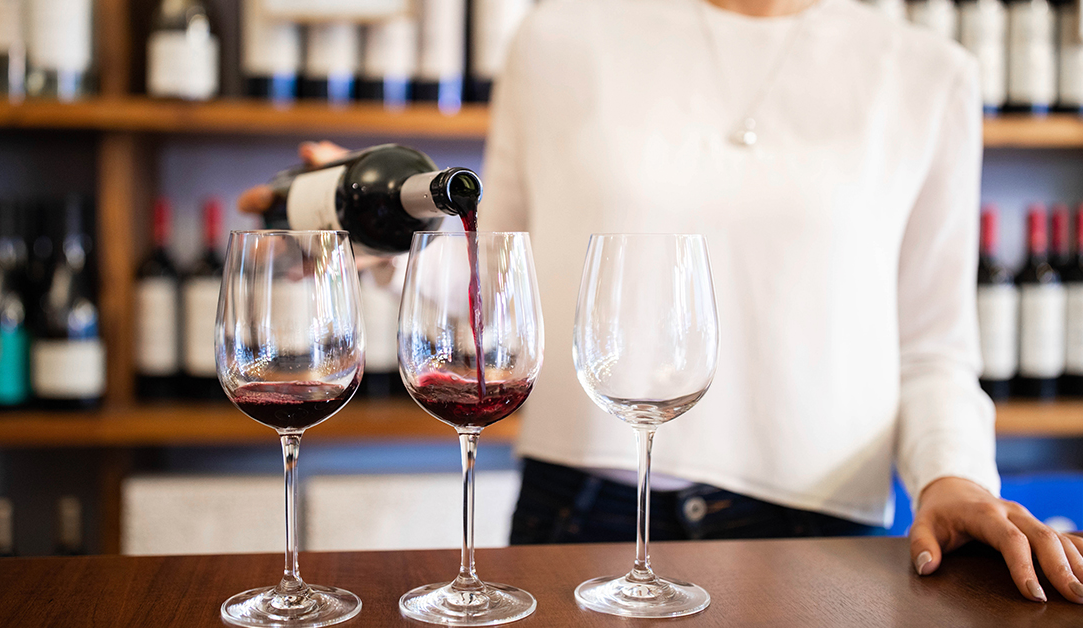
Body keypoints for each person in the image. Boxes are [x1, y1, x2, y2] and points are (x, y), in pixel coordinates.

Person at [240, 0, 1083, 605]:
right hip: (580, 515)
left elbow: (934, 348)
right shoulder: (558, 34)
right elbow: (496, 283)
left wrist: (956, 476)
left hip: (814, 538)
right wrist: (381, 240)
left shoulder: (931, 75)